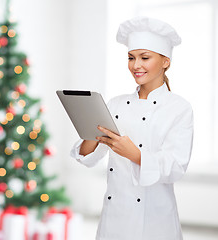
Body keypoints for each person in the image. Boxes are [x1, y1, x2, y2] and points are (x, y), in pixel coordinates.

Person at [70, 16, 194, 240]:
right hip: (114, 219)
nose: (136, 65)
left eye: (145, 57)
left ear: (165, 61)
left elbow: (175, 166)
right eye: (131, 57)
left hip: (154, 220)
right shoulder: (116, 104)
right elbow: (88, 157)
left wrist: (135, 154)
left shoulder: (179, 108)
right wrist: (91, 131)